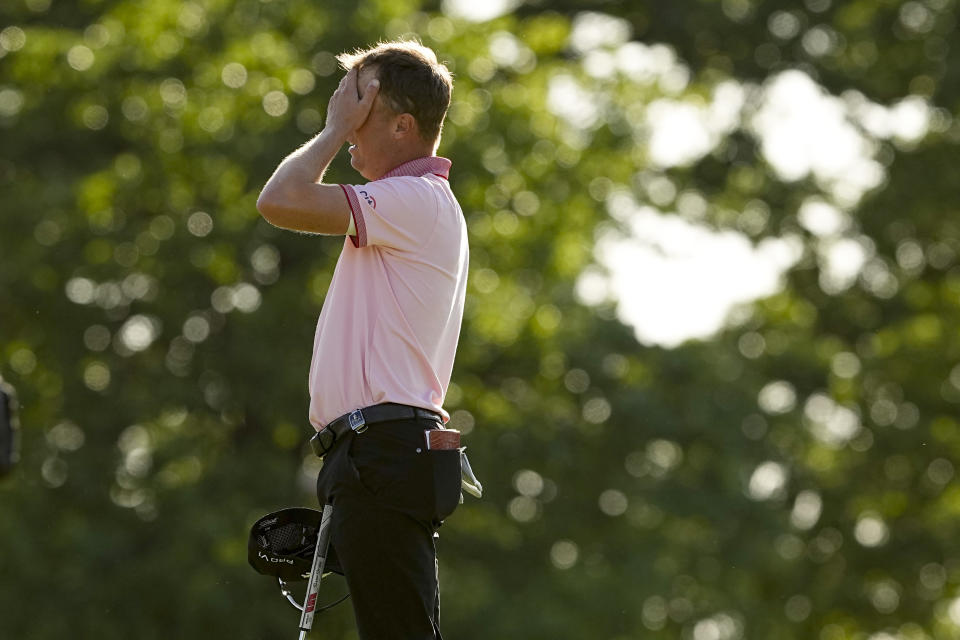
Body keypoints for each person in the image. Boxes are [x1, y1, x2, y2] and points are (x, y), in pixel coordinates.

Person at [256, 40, 468, 639]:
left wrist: (327, 133)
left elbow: (279, 201)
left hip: (384, 449)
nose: (347, 124)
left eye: (358, 110)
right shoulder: (405, 206)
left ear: (403, 125)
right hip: (367, 454)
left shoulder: (416, 200)